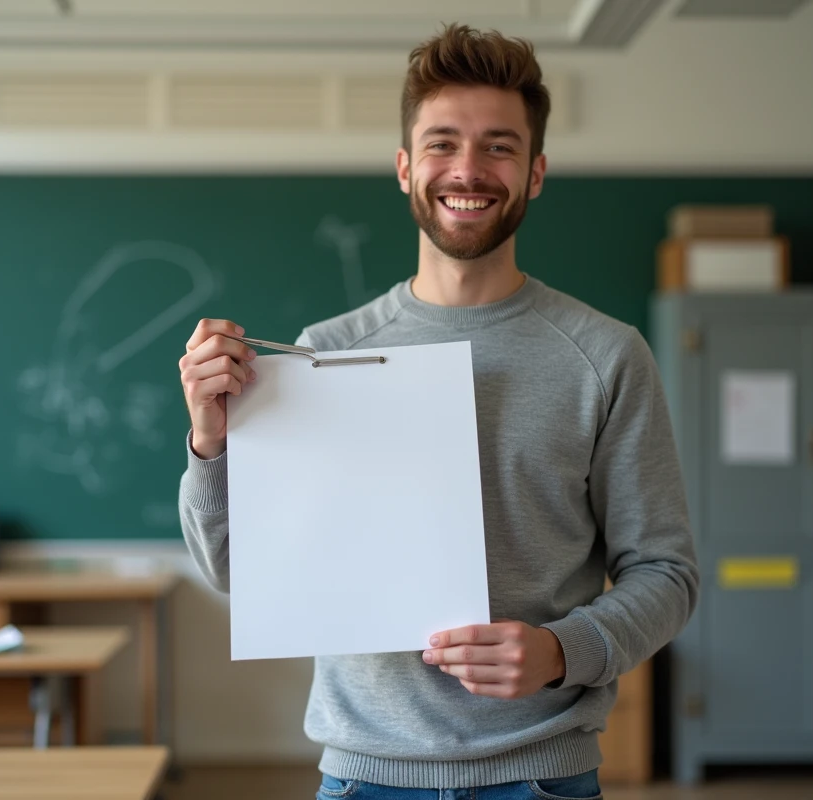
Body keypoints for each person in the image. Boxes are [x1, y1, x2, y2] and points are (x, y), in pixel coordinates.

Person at [178, 22, 698, 800]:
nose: (468, 169)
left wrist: (563, 649)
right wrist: (210, 443)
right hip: (363, 776)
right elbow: (239, 574)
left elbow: (667, 573)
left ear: (536, 173)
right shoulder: (322, 357)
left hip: (541, 777)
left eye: (499, 146)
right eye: (442, 143)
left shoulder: (607, 356)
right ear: (403, 168)